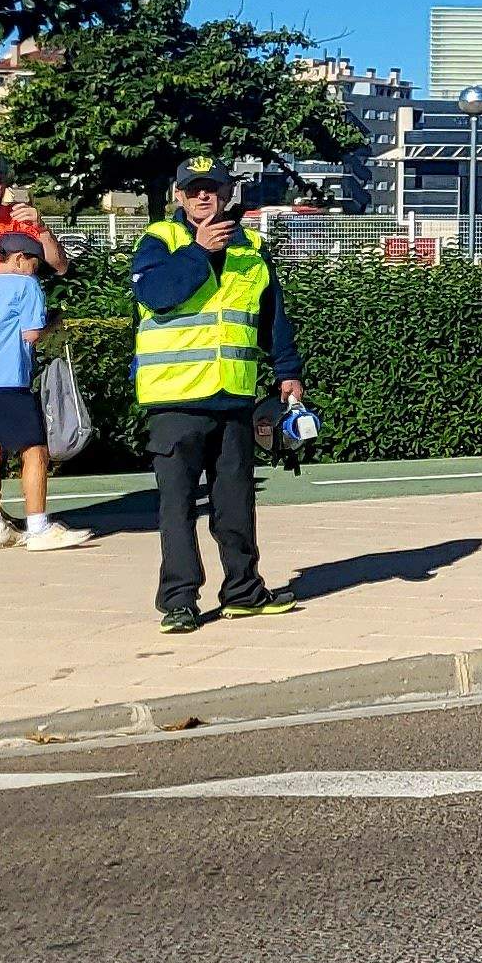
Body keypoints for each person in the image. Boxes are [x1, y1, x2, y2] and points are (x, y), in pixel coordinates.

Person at [134, 156, 307, 630]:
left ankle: (243, 590)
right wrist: (201, 251)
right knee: (177, 508)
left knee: (235, 503)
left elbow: (272, 317)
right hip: (175, 401)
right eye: (194, 190)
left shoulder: (252, 247)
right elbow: (156, 295)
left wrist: (287, 370)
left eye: (212, 188)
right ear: (178, 195)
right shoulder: (160, 240)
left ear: (228, 192)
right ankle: (178, 600)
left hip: (232, 397)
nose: (203, 197)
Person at [0, 231, 82, 550]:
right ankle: (38, 526)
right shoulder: (26, 285)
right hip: (9, 379)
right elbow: (31, 334)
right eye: (34, 262)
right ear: (18, 259)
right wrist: (52, 322)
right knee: (35, 450)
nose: (36, 269)